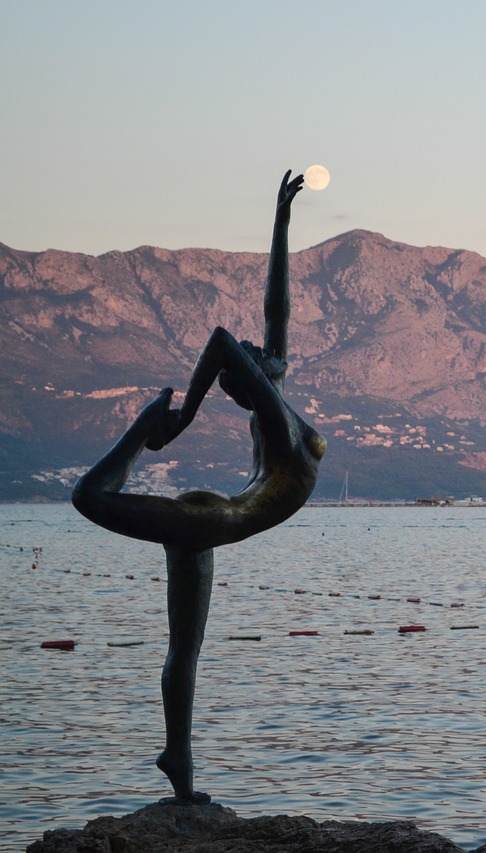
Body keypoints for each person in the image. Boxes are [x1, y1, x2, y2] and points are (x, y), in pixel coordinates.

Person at [72, 170, 325, 804]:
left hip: (215, 518)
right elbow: (220, 341)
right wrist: (176, 419)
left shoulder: (281, 417)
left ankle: (178, 763)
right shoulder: (276, 422)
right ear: (249, 383)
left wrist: (281, 222)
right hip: (216, 519)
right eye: (253, 356)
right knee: (88, 498)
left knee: (186, 647)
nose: (256, 347)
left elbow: (277, 311)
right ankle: (138, 433)